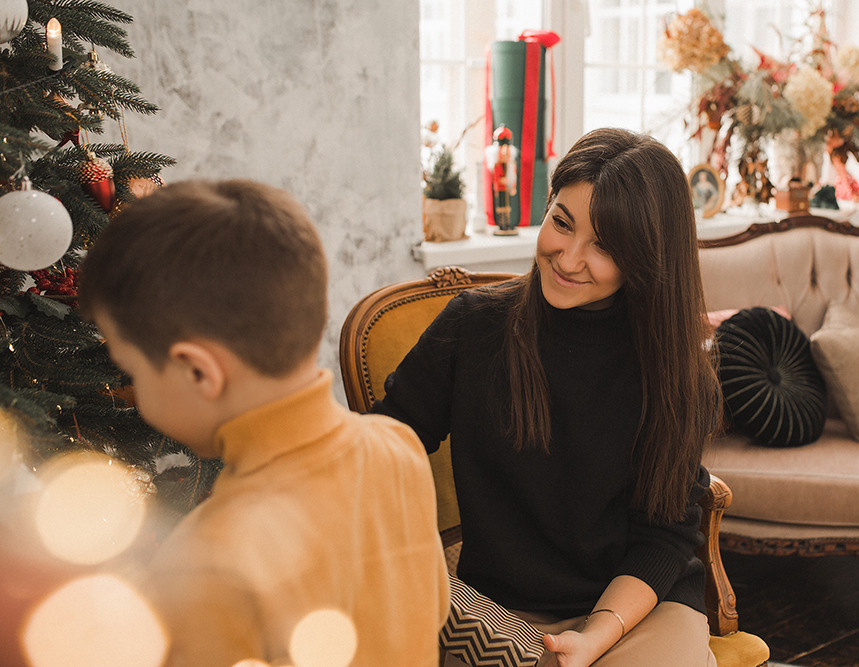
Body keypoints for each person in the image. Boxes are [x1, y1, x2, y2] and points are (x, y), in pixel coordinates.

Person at [374, 128, 722, 666]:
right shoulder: (474, 327)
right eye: (562, 223)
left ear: (647, 258)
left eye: (605, 246)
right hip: (497, 611)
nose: (569, 258)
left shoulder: (676, 372)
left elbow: (663, 539)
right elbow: (385, 444)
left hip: (637, 608)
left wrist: (595, 637)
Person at [77, 180, 449, 666]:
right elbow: (432, 612)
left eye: (130, 371)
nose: (129, 390)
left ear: (198, 372)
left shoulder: (203, 564)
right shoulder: (399, 446)